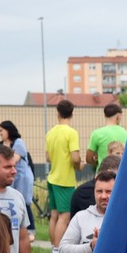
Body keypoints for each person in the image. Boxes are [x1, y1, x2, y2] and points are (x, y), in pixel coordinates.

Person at [44, 98, 81, 245]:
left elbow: (47, 158)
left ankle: (53, 249)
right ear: (72, 114)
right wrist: (79, 165)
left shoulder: (50, 133)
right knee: (64, 216)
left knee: (54, 215)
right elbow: (75, 157)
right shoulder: (71, 133)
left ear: (57, 113)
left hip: (52, 178)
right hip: (65, 180)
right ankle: (59, 250)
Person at [0, 121, 35, 227]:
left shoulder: (18, 142)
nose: (0, 133)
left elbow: (14, 159)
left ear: (8, 131)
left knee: (24, 202)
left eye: (2, 130)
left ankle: (30, 228)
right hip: (11, 177)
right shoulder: (0, 144)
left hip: (22, 177)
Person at [86, 101, 127, 170]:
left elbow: (88, 158)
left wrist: (96, 163)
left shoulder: (96, 133)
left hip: (102, 173)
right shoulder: (126, 134)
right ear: (118, 116)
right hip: (120, 172)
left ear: (105, 115)